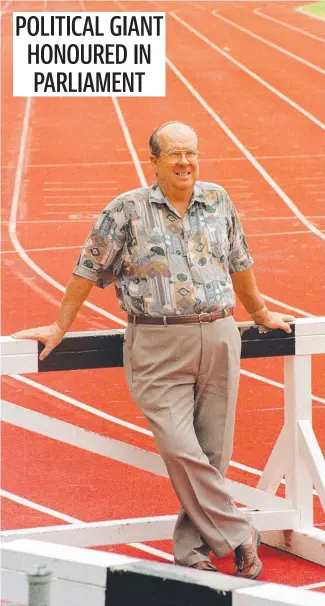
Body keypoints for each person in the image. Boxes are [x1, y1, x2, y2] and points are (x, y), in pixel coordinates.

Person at [12, 121, 294, 578]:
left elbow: (240, 261)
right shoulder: (126, 210)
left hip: (220, 333)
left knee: (211, 453)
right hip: (156, 342)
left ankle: (191, 549)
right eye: (175, 154)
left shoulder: (218, 200)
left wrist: (260, 313)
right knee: (182, 449)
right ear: (155, 161)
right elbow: (88, 268)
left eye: (192, 153)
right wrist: (60, 324)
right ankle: (241, 532)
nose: (185, 162)